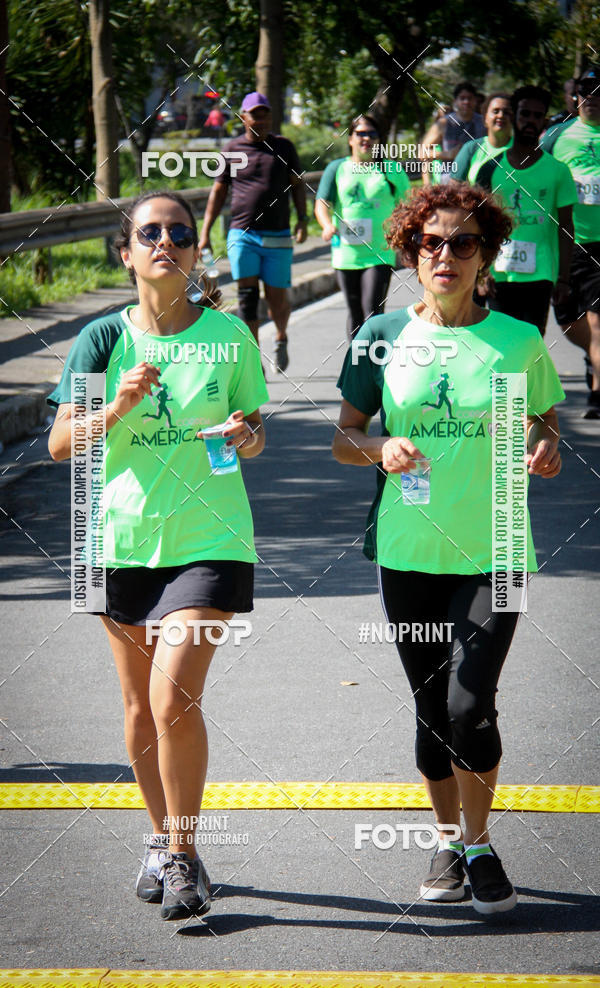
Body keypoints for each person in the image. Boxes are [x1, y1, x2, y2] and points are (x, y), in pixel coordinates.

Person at [333, 180, 564, 914]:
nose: (446, 254)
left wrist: (544, 445)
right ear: (409, 251)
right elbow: (343, 439)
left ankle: (480, 839)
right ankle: (446, 840)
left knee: (472, 706)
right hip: (408, 553)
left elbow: (544, 421)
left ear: (485, 255)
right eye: (431, 242)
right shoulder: (380, 335)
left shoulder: (518, 341)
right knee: (432, 710)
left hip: (497, 547)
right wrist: (380, 446)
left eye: (463, 242)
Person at [47, 190, 269, 921]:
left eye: (180, 231)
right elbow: (58, 445)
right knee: (140, 707)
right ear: (127, 252)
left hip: (210, 540)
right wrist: (113, 409)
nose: (166, 241)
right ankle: (165, 841)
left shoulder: (230, 336)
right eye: (151, 232)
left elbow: (253, 429)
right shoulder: (101, 342)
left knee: (175, 695)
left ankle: (181, 852)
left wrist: (245, 435)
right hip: (117, 541)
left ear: (195, 252)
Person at [199, 91, 307, 373]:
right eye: (255, 114)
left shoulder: (284, 148)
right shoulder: (232, 151)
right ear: (243, 118)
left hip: (279, 234)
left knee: (277, 298)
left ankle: (281, 336)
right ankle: (253, 356)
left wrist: (303, 220)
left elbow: (297, 186)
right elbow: (218, 192)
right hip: (242, 234)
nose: (260, 120)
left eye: (265, 114)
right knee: (247, 297)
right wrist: (205, 232)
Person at [475, 85, 576, 336]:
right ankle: (510, 379)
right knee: (503, 346)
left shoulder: (558, 171)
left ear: (543, 121)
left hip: (539, 277)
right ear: (514, 117)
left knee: (531, 346)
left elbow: (565, 228)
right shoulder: (489, 170)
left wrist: (563, 278)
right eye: (524, 114)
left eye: (537, 116)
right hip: (499, 276)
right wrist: (481, 271)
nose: (530, 121)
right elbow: (478, 225)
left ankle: (525, 379)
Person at [314, 114, 410, 340]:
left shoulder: (390, 170)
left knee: (373, 312)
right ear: (350, 139)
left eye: (372, 134)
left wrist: (404, 234)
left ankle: (375, 365)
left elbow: (410, 205)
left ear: (379, 140)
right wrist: (327, 225)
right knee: (355, 313)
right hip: (346, 253)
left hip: (379, 252)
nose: (366, 138)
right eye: (361, 134)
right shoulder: (337, 168)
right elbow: (321, 203)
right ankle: (356, 366)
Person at [541, 65, 600, 417]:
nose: (592, 98)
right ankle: (593, 355)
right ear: (576, 97)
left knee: (597, 320)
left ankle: (597, 393)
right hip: (566, 243)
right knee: (567, 320)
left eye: (599, 92)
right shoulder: (556, 137)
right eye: (586, 91)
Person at [421, 82, 486, 185]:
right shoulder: (444, 123)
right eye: (462, 98)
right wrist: (448, 154)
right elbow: (422, 153)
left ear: (475, 101)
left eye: (470, 98)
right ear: (455, 101)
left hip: (479, 183)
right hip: (450, 184)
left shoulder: (484, 123)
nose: (466, 102)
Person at [453, 92, 513, 183]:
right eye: (495, 111)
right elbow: (453, 188)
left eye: (507, 112)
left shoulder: (522, 150)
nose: (501, 116)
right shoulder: (470, 149)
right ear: (485, 119)